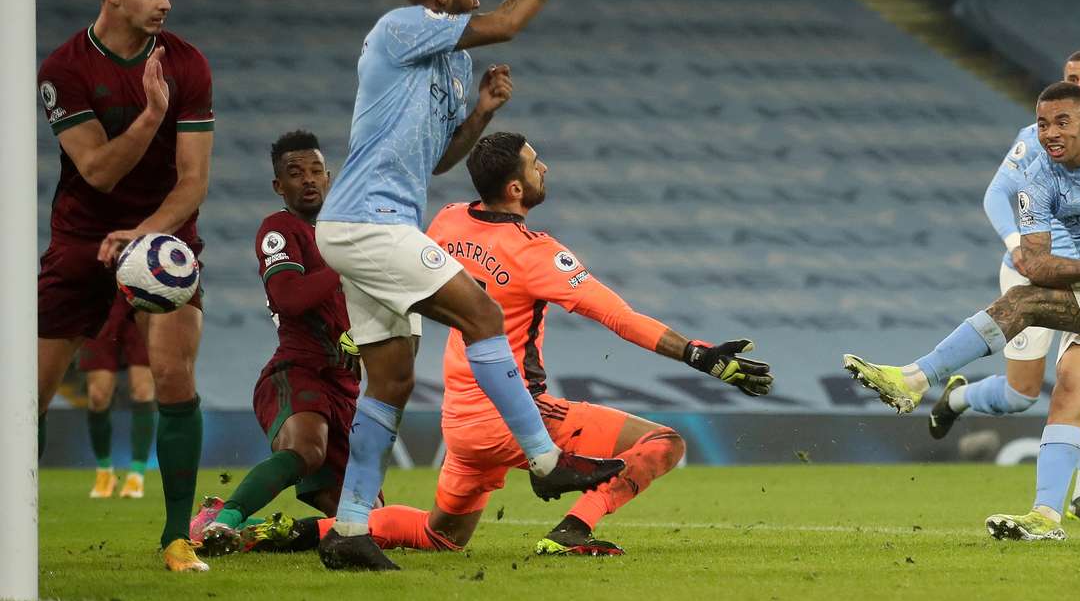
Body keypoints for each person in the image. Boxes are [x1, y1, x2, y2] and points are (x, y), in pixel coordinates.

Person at [235, 132, 773, 558]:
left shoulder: (448, 221)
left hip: (461, 424)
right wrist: (698, 354)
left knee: (440, 535)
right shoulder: (536, 252)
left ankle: (292, 532)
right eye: (536, 165)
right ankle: (573, 530)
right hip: (516, 413)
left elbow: (397, 273)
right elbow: (618, 316)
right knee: (663, 443)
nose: (545, 170)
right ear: (515, 189)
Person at [314, 0, 622, 571]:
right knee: (482, 314)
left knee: (391, 380)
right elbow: (507, 22)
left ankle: (348, 528)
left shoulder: (453, 63)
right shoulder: (400, 28)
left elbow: (439, 160)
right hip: (366, 221)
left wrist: (482, 112)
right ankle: (545, 459)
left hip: (379, 225)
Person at [844, 82, 1080, 541]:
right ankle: (1046, 517)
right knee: (1066, 396)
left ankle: (915, 379)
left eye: (1063, 122)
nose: (1050, 133)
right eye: (1043, 124)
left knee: (1023, 303)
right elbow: (1037, 263)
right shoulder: (1038, 179)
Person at [36, 0, 214, 571]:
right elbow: (98, 172)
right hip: (81, 237)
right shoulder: (64, 69)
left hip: (163, 238)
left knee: (172, 377)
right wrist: (149, 115)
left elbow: (193, 180)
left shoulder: (187, 63)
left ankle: (176, 538)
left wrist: (145, 233)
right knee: (29, 395)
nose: (166, 2)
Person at [928, 50, 1080, 520]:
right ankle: (957, 396)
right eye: (1072, 77)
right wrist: (1017, 243)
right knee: (1022, 394)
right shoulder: (1037, 137)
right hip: (1032, 273)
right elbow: (997, 193)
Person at [193, 130, 375, 557]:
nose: (308, 179)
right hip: (298, 371)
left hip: (343, 385)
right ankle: (223, 521)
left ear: (329, 178)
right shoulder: (279, 229)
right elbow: (288, 297)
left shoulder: (344, 234)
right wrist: (344, 263)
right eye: (295, 173)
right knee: (306, 449)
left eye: (315, 170)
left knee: (364, 522)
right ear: (279, 185)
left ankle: (247, 530)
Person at [81, 294, 155, 499]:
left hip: (142, 298)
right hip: (102, 301)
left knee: (142, 391)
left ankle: (136, 474)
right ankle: (104, 472)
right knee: (97, 396)